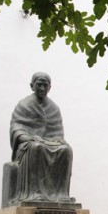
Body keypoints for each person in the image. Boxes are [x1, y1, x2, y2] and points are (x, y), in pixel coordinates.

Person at [8, 72, 74, 204]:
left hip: (48, 142)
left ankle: (61, 195)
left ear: (49, 87)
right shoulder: (24, 105)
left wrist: (58, 140)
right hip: (29, 143)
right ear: (32, 86)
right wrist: (28, 138)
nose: (42, 88)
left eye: (45, 85)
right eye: (39, 85)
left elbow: (57, 132)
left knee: (66, 150)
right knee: (37, 147)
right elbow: (16, 127)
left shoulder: (54, 108)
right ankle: (35, 193)